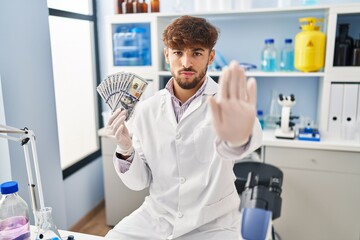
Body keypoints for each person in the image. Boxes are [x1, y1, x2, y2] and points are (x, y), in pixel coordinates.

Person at [105, 15, 262, 240]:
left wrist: (237, 139)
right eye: (178, 52)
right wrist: (125, 149)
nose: (186, 62)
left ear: (211, 56)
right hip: (157, 218)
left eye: (196, 52)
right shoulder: (147, 109)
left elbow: (249, 137)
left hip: (214, 223)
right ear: (167, 55)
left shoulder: (226, 102)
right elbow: (139, 182)